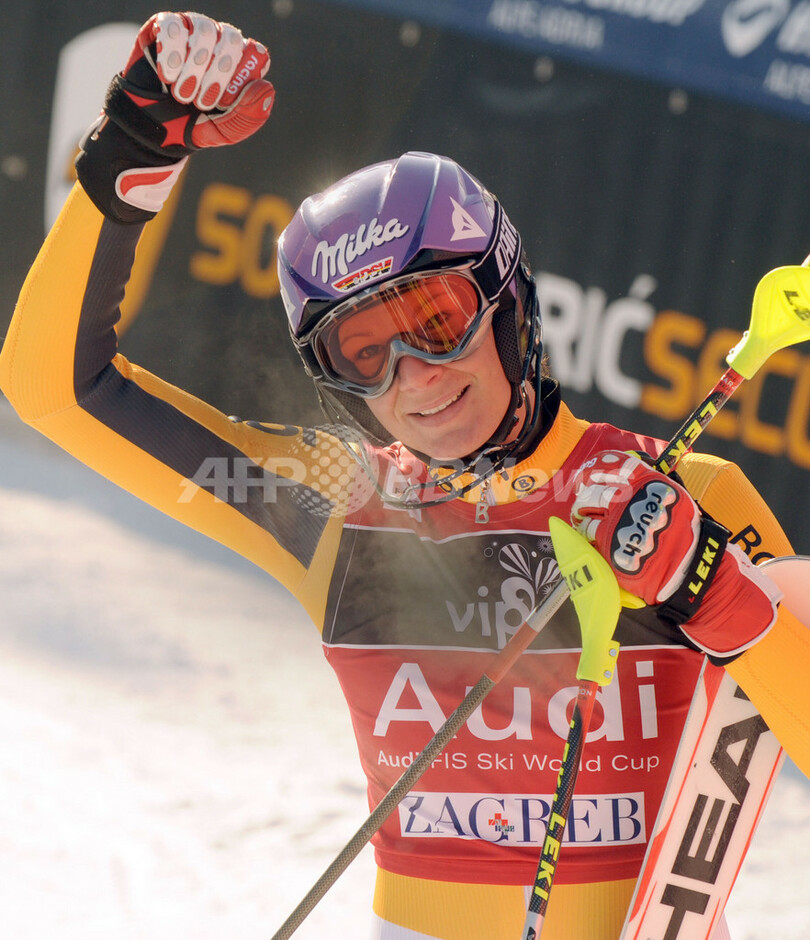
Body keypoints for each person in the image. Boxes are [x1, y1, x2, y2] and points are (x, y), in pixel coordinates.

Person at [1, 12, 808, 939]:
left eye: (435, 320)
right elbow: (58, 389)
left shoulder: (682, 495)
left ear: (508, 301)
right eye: (363, 352)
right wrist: (131, 155)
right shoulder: (327, 506)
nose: (414, 377)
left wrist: (710, 590)